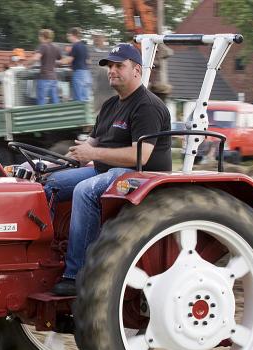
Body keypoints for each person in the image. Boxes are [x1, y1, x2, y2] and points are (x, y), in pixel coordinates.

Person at [45, 43, 172, 296]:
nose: (112, 71)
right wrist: (48, 165)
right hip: (106, 170)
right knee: (51, 184)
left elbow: (142, 155)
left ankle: (77, 274)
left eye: (118, 66)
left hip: (139, 174)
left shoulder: (147, 106)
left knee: (84, 190)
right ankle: (47, 258)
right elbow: (88, 146)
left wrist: (93, 155)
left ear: (137, 70)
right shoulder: (110, 106)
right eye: (109, 66)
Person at [32, 29, 61, 105]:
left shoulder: (43, 46)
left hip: (44, 78)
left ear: (42, 36)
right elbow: (61, 60)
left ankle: (42, 116)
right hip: (53, 78)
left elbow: (35, 58)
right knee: (55, 101)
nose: (39, 38)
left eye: (39, 36)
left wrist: (26, 64)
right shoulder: (56, 47)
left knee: (42, 101)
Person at [62, 27, 91, 101]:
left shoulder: (75, 46)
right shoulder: (84, 46)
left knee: (78, 99)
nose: (68, 38)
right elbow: (88, 61)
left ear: (73, 35)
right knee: (86, 99)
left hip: (78, 74)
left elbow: (67, 61)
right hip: (86, 74)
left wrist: (56, 61)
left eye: (69, 36)